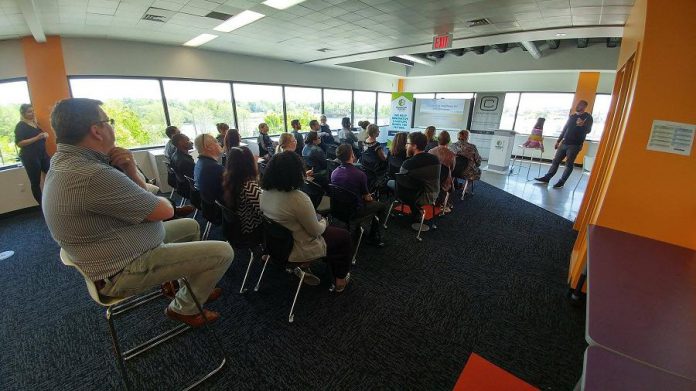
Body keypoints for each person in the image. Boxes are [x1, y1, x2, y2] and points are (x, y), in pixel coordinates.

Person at [43, 98, 233, 327]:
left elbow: (149, 197)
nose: (111, 126)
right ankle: (183, 308)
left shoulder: (65, 162)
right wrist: (132, 173)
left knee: (190, 226)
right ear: (96, 130)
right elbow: (165, 210)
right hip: (122, 268)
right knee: (223, 251)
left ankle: (188, 289)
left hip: (116, 249)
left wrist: (130, 168)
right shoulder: (92, 175)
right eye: (108, 121)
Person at [259, 151, 353, 291]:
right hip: (297, 247)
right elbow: (316, 231)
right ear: (296, 173)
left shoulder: (263, 192)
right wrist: (324, 221)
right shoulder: (298, 198)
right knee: (344, 236)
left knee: (328, 231)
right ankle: (340, 280)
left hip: (277, 245)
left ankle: (305, 266)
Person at [332, 144, 386, 247]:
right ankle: (374, 237)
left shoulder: (334, 172)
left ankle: (357, 228)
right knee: (382, 206)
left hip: (338, 209)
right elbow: (367, 197)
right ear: (352, 155)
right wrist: (370, 198)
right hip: (354, 211)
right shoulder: (360, 174)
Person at [535, 100, 593, 188]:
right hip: (564, 142)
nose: (577, 106)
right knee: (555, 161)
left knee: (569, 164)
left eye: (580, 105)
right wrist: (558, 141)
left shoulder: (588, 117)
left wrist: (582, 125)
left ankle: (562, 182)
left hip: (575, 145)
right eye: (578, 104)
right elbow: (565, 129)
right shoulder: (572, 116)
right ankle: (547, 178)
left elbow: (588, 130)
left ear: (584, 107)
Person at [388, 132, 441, 229]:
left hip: (419, 197)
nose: (406, 146)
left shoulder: (408, 163)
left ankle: (415, 210)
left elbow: (401, 182)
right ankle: (416, 212)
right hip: (434, 194)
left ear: (414, 146)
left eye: (408, 144)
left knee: (390, 183)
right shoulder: (435, 159)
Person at [14, 104, 50, 204]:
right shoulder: (20, 126)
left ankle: (52, 200)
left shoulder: (34, 123)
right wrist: (37, 138)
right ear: (23, 113)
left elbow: (40, 135)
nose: (32, 113)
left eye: (33, 111)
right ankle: (42, 205)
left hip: (42, 154)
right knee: (35, 182)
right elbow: (19, 143)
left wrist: (44, 135)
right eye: (29, 111)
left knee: (53, 172)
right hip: (30, 157)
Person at [223, 146, 263, 237]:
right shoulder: (249, 185)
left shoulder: (230, 178)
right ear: (248, 162)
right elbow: (266, 211)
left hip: (239, 223)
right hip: (252, 227)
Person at [429, 131, 456, 211]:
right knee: (451, 182)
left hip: (431, 179)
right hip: (445, 181)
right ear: (448, 141)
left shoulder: (430, 151)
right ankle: (445, 204)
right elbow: (452, 168)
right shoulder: (451, 154)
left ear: (438, 140)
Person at [194, 133, 224, 202]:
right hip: (220, 209)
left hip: (208, 205)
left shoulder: (200, 162)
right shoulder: (214, 168)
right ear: (208, 147)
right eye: (216, 141)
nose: (219, 143)